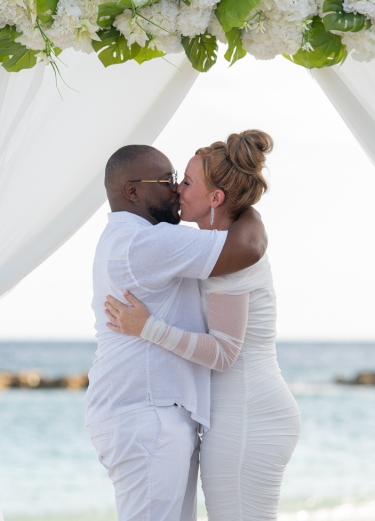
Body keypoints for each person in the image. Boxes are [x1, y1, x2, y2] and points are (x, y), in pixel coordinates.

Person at [104, 130, 302, 520]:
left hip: (247, 412)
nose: (178, 189)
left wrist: (148, 328)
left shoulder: (232, 260)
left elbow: (225, 353)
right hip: (239, 410)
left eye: (188, 181)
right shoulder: (218, 249)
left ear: (216, 198)